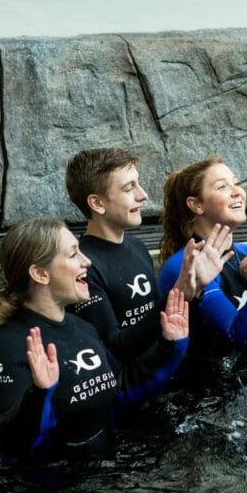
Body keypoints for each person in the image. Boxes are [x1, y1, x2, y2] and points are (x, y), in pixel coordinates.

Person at [0, 218, 190, 460]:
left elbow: (122, 391)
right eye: (72, 255)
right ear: (40, 273)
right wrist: (40, 394)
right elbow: (5, 441)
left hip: (102, 473)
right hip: (48, 488)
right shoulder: (11, 348)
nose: (86, 261)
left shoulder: (82, 328)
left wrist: (170, 346)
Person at [158, 157, 247, 375]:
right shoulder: (183, 267)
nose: (237, 192)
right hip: (211, 399)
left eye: (236, 183)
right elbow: (245, 339)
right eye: (222, 187)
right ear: (196, 205)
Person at [64, 148, 164, 362]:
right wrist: (180, 294)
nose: (143, 195)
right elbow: (115, 345)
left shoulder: (137, 246)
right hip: (130, 385)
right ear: (98, 203)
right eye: (129, 188)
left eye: (138, 184)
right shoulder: (84, 266)